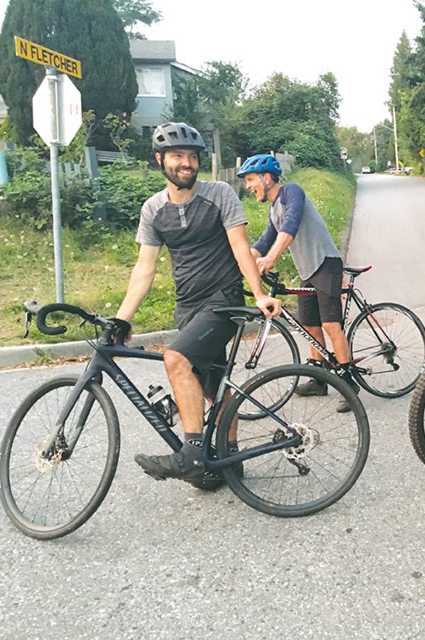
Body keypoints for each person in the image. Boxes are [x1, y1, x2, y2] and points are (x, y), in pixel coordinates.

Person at [113, 122, 282, 486]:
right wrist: (122, 319)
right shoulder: (153, 210)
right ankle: (228, 460)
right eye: (178, 156)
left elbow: (241, 247)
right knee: (212, 386)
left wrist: (258, 293)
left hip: (223, 302)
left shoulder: (219, 194)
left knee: (176, 360)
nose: (186, 163)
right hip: (187, 308)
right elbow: (145, 268)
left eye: (192, 157)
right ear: (161, 160)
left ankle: (191, 454)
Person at [238, 153, 359, 413]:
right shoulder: (273, 210)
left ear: (267, 178)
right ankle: (319, 379)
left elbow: (290, 226)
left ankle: (349, 383)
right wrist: (241, 266)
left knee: (330, 324)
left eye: (250, 180)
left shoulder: (292, 192)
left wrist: (272, 257)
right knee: (310, 326)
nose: (248, 186)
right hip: (308, 269)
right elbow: (262, 243)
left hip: (326, 263)